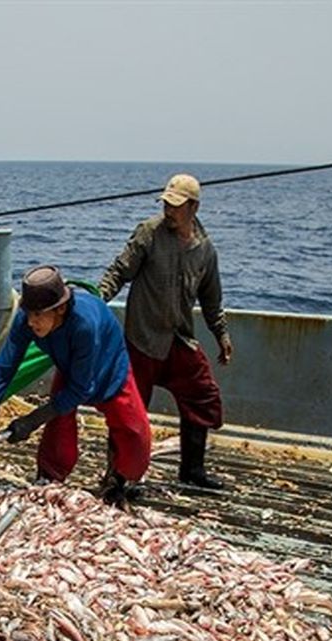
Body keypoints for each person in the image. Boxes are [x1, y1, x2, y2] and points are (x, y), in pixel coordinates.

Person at [0, 265, 151, 508]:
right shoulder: (26, 319)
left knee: (132, 430)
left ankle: (120, 479)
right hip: (70, 366)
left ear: (60, 308)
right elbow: (5, 367)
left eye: (38, 315)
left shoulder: (84, 325)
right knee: (58, 425)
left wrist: (32, 420)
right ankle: (49, 478)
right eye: (28, 313)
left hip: (108, 364)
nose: (31, 322)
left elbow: (82, 389)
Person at [98, 173, 233, 490]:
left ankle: (192, 470)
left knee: (202, 396)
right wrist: (96, 300)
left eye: (176, 206)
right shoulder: (149, 233)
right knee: (127, 409)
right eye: (166, 204)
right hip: (142, 338)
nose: (168, 211)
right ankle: (116, 477)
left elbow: (212, 300)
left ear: (194, 207)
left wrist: (222, 335)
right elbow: (119, 271)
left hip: (178, 339)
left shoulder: (205, 250)